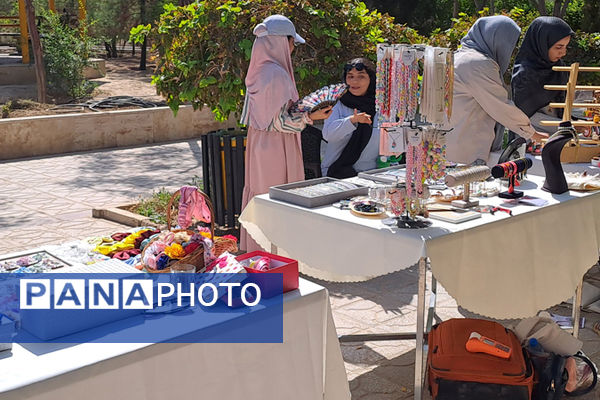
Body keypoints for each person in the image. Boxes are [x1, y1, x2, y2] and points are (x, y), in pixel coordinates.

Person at [239, 15, 331, 251]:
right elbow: (279, 122)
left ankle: (259, 254)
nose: (293, 47)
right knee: (279, 196)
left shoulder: (258, 71)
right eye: (292, 41)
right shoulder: (276, 75)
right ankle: (276, 256)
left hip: (261, 144)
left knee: (261, 194)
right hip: (277, 146)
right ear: (281, 42)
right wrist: (312, 117)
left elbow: (261, 117)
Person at [445, 16, 548, 165]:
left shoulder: (457, 57)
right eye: (510, 43)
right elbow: (501, 106)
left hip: (452, 145)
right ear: (498, 39)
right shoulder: (477, 63)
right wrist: (533, 134)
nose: (511, 50)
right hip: (467, 151)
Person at [512, 17, 575, 133]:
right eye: (559, 47)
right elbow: (524, 118)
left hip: (560, 135)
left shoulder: (558, 68)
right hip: (533, 141)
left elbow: (563, 108)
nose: (563, 52)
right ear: (541, 43)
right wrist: (568, 127)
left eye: (566, 46)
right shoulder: (524, 74)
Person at [321, 58, 378, 178]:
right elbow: (328, 134)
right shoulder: (338, 103)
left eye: (361, 76)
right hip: (336, 173)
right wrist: (352, 121)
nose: (354, 81)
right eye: (350, 76)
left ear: (371, 79)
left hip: (372, 173)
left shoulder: (381, 105)